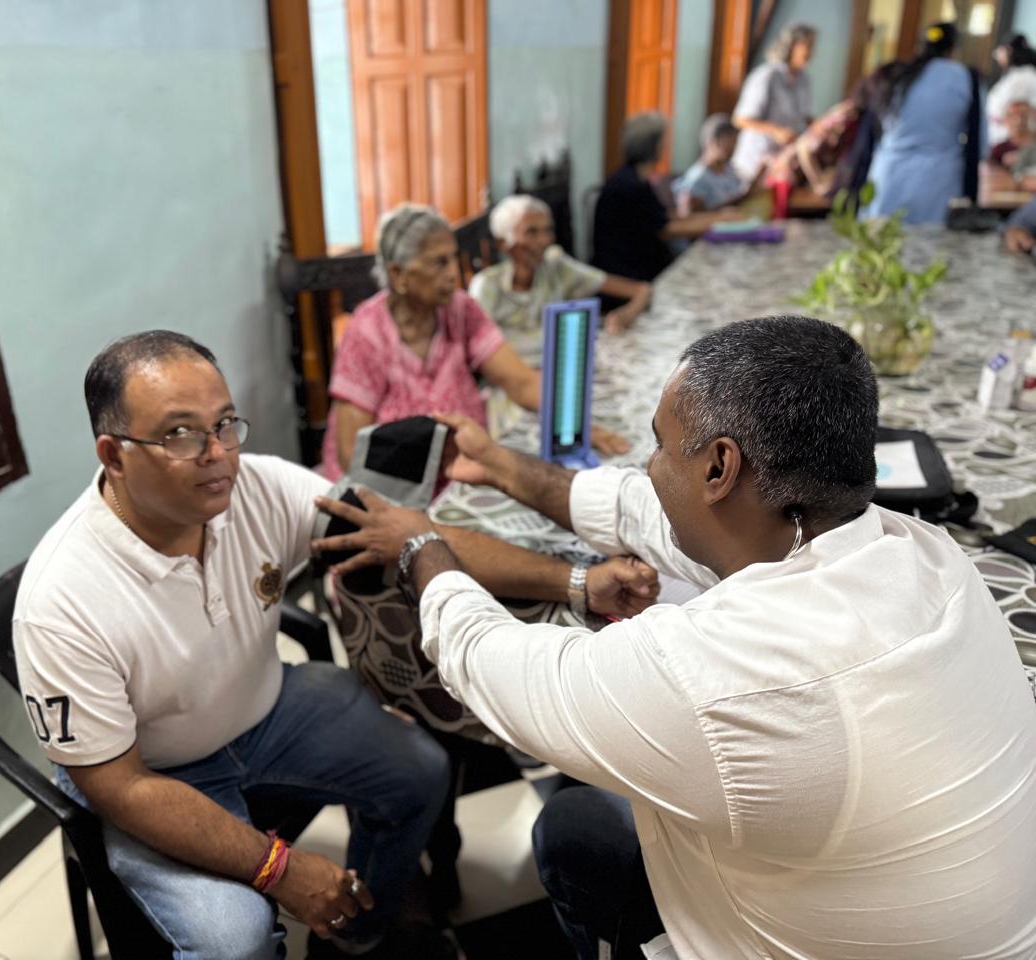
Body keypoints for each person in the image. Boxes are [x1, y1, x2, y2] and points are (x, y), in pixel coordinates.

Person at [314, 316, 1036, 959]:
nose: (647, 466)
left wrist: (422, 546)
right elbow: (640, 509)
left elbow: (490, 663)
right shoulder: (928, 553)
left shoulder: (714, 673)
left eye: (660, 447)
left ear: (721, 466)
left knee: (574, 827)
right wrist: (500, 463)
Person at [11, 331, 457, 960]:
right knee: (234, 939)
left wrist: (570, 580)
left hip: (265, 708)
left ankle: (353, 937)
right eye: (180, 435)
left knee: (420, 771)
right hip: (154, 772)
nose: (218, 455)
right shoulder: (61, 600)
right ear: (113, 455)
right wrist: (282, 869)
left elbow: (398, 533)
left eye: (225, 424)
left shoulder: (255, 488)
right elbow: (120, 787)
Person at [322, 203, 629, 481]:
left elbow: (519, 381)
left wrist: (573, 424)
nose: (454, 274)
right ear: (399, 274)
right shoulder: (367, 333)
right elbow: (351, 454)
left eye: (453, 259)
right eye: (439, 263)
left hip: (463, 473)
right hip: (395, 488)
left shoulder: (459, 309)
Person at [469, 194, 651, 337]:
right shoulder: (486, 286)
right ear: (503, 243)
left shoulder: (556, 265)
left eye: (548, 230)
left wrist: (626, 314)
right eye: (531, 232)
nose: (544, 240)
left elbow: (642, 290)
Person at [590, 114, 738, 285]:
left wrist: (718, 216)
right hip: (629, 275)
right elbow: (666, 230)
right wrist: (721, 222)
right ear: (656, 147)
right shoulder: (630, 185)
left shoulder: (637, 178)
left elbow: (663, 217)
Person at [864, 23, 987, 225]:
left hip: (888, 174)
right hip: (936, 180)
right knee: (927, 249)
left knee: (878, 245)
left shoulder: (897, 74)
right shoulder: (964, 77)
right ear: (953, 49)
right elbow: (980, 144)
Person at [730, 22, 817, 183]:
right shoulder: (766, 76)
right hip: (755, 161)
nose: (812, 52)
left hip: (783, 162)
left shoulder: (804, 80)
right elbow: (740, 119)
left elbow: (807, 118)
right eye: (808, 46)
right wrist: (776, 131)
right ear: (793, 45)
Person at [673, 114, 744, 216]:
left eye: (735, 143)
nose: (733, 148)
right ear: (712, 142)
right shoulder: (697, 178)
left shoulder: (729, 171)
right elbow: (687, 215)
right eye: (729, 143)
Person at [987, 33, 1036, 144]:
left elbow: (1018, 113)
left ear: (1009, 51)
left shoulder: (1024, 76)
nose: (997, 55)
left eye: (1000, 51)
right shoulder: (1016, 74)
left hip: (1009, 139)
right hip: (1000, 135)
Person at [989, 98, 1034, 167]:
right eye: (1013, 115)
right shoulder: (998, 151)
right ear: (1005, 119)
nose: (1019, 121)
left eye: (1024, 115)